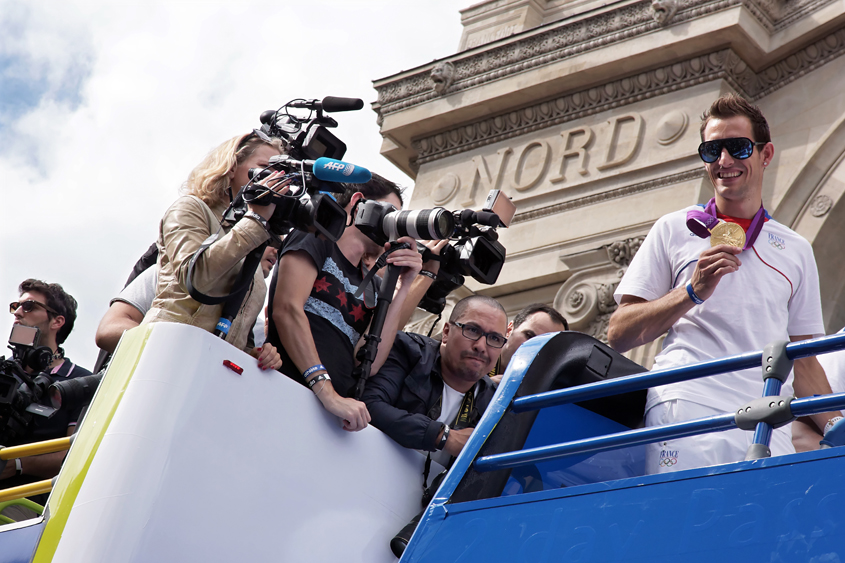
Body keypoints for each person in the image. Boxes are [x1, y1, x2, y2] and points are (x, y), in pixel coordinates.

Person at [607, 94, 841, 473]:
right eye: (712, 149)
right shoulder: (674, 227)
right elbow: (619, 332)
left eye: (738, 147)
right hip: (687, 405)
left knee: (758, 532)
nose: (724, 161)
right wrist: (691, 292)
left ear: (765, 155)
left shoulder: (796, 250)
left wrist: (837, 426)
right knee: (683, 522)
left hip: (769, 420)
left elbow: (805, 364)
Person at [267, 175, 422, 432]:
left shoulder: (371, 283)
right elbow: (287, 309)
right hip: (288, 394)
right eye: (390, 214)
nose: (395, 227)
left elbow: (367, 363)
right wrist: (327, 392)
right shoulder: (316, 235)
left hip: (331, 416)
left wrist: (405, 285)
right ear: (358, 203)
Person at [141, 132, 285, 371]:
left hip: (210, 369)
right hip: (165, 354)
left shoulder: (249, 235)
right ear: (231, 167)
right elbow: (196, 278)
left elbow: (228, 325)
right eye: (264, 168)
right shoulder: (190, 207)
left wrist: (255, 353)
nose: (274, 179)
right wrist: (256, 220)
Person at [362, 295, 506, 462]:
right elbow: (368, 404)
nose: (481, 346)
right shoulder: (409, 351)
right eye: (472, 330)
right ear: (446, 332)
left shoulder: (496, 402)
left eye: (495, 338)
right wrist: (442, 436)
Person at [1, 279, 92, 518]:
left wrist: (16, 464)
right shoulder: (3, 373)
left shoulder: (81, 382)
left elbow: (75, 454)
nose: (18, 313)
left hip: (25, 511)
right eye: (16, 306)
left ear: (57, 321)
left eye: (29, 306)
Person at [95, 246, 278, 355]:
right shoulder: (170, 271)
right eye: (270, 240)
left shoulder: (251, 315)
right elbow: (108, 330)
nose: (276, 251)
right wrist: (182, 349)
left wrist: (256, 359)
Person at [489, 303, 568, 384]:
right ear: (509, 330)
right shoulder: (479, 355)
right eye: (529, 336)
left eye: (546, 347)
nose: (536, 350)